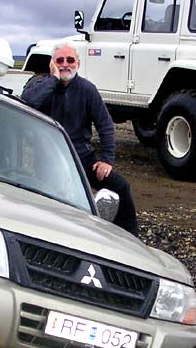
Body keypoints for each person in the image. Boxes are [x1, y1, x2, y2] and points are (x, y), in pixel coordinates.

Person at [21, 44, 139, 236]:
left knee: (121, 187)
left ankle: (129, 238)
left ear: (78, 63)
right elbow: (28, 102)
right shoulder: (42, 85)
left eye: (70, 60)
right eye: (59, 61)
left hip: (82, 159)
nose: (65, 64)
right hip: (48, 160)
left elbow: (106, 125)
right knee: (60, 201)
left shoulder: (87, 89)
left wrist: (107, 160)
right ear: (52, 64)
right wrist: (53, 79)